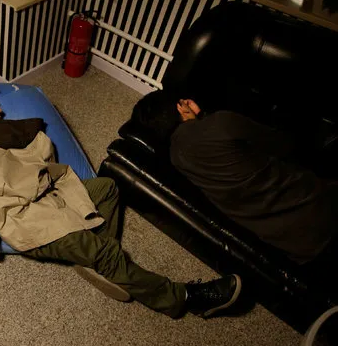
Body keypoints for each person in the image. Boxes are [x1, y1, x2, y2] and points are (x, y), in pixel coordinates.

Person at [0, 78, 242, 319]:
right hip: (25, 221)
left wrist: (35, 168)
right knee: (105, 252)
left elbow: (32, 157)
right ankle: (185, 298)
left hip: (45, 197)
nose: (0, 110)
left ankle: (96, 260)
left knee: (107, 187)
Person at [130, 90, 338, 270]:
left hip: (295, 245)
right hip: (322, 210)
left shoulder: (176, 158)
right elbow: (284, 145)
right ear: (179, 107)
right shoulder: (221, 122)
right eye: (184, 101)